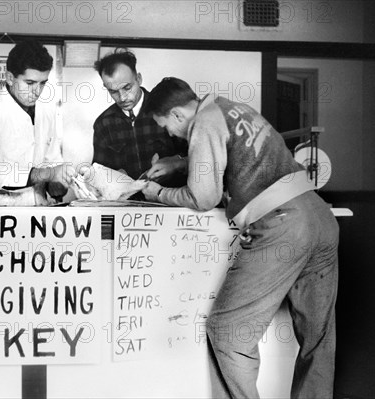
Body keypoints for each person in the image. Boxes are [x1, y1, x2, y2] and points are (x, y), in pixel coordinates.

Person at [143, 77, 339, 398]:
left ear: (178, 115)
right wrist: (178, 162)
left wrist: (159, 192)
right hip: (319, 216)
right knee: (318, 336)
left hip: (284, 224)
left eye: (166, 126)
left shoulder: (203, 124)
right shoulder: (230, 107)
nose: (169, 134)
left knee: (227, 332)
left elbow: (204, 197)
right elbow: (242, 153)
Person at [0, 40, 75, 201]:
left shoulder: (46, 110)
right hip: (1, 213)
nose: (37, 91)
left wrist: (60, 182)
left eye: (42, 83)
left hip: (38, 211)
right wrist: (49, 174)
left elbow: (52, 162)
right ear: (10, 78)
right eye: (29, 83)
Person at [92, 50, 188, 186]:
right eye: (113, 91)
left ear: (138, 78)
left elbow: (200, 158)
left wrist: (176, 162)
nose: (122, 97)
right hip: (126, 205)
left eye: (127, 88)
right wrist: (112, 178)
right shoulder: (103, 123)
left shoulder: (166, 109)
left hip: (171, 202)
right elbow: (99, 174)